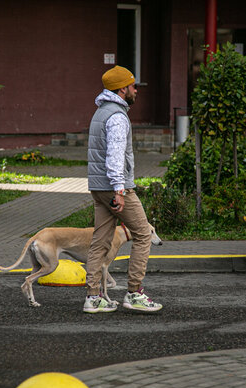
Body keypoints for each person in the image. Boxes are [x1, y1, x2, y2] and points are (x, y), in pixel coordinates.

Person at [83, 65, 162, 314]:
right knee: (142, 234)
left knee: (100, 241)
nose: (136, 90)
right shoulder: (117, 116)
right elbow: (115, 156)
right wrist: (119, 190)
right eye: (132, 86)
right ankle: (134, 293)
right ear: (122, 89)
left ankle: (93, 297)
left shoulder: (100, 112)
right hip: (116, 188)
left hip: (97, 186)